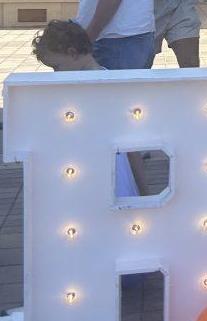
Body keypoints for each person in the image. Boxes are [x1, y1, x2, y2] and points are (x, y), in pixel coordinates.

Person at [31, 19, 143, 196]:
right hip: (102, 171)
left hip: (106, 174)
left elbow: (131, 145)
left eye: (56, 67)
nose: (55, 74)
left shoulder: (104, 89)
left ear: (73, 54)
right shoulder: (113, 85)